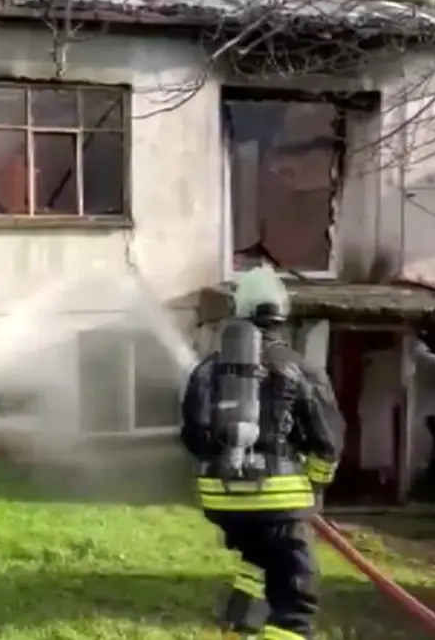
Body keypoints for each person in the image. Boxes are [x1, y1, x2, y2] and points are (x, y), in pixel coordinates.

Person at [179, 266, 345, 640]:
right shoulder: (299, 368)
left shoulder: (205, 370)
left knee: (256, 558)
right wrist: (314, 490)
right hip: (279, 500)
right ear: (282, 317)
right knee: (295, 594)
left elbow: (191, 437)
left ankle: (237, 627)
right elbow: (328, 441)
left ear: (238, 313)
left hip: (220, 501)